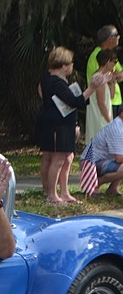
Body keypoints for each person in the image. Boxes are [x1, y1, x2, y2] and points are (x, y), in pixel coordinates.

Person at [36, 46, 106, 204]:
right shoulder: (56, 83)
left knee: (66, 157)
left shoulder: (49, 80)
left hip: (60, 123)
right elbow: (75, 101)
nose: (72, 66)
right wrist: (92, 88)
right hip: (58, 125)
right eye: (70, 64)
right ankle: (52, 193)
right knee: (58, 158)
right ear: (63, 66)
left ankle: (63, 191)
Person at [81, 109, 123, 195]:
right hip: (90, 162)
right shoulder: (117, 129)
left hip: (104, 160)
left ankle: (113, 189)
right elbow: (119, 158)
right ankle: (95, 184)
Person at [87, 25, 123, 116]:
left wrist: (114, 76)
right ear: (110, 38)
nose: (119, 37)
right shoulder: (97, 55)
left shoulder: (111, 56)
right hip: (106, 101)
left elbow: (120, 76)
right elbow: (103, 77)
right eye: (116, 35)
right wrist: (114, 76)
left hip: (116, 101)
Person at [85, 49, 118, 144]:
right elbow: (101, 103)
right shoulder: (99, 78)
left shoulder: (102, 78)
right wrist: (110, 121)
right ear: (108, 62)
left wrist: (112, 83)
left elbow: (111, 97)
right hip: (100, 120)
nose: (115, 65)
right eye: (114, 62)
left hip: (101, 118)